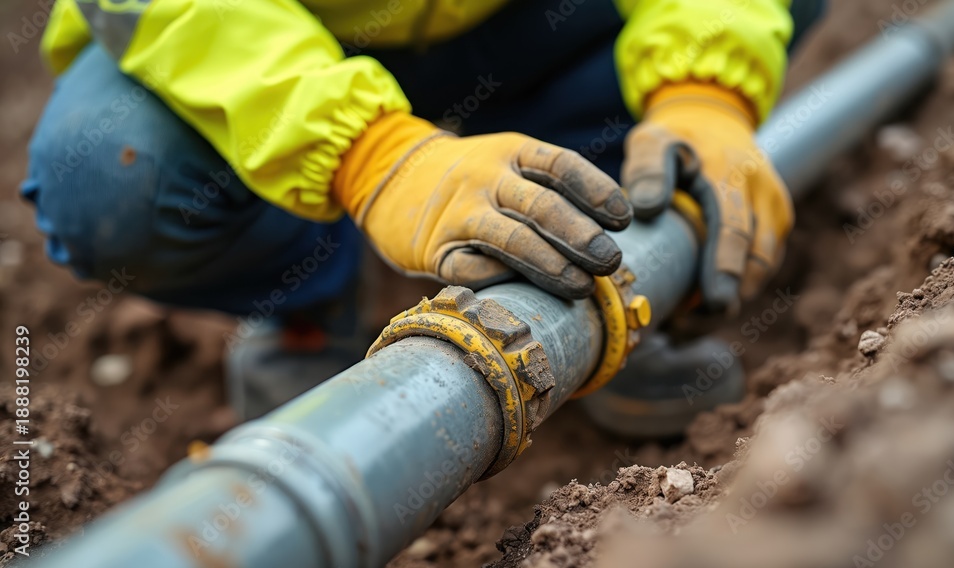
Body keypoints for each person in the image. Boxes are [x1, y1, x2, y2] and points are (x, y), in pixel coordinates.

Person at [23, 0, 823, 419]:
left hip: (530, 18)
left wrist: (702, 87)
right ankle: (313, 289)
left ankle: (595, 254)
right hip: (281, 35)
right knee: (109, 178)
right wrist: (368, 152)